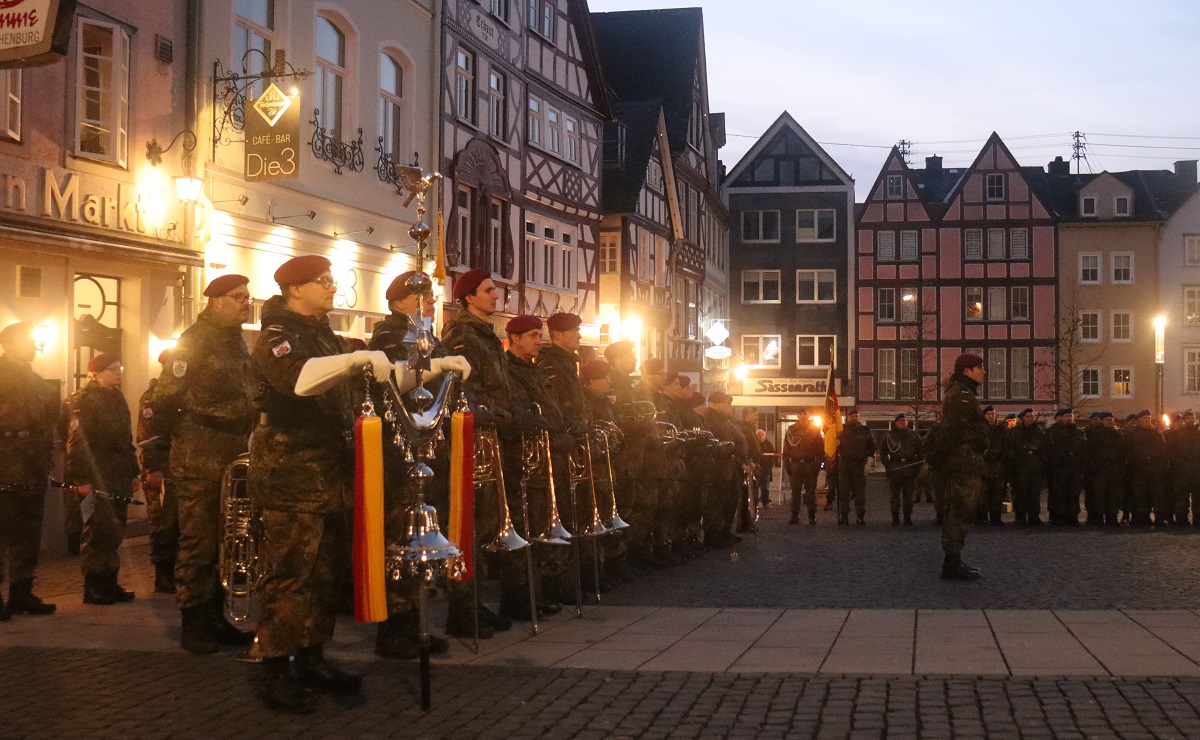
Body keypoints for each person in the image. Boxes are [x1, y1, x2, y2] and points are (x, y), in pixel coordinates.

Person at [248, 255, 467, 712]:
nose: (332, 288)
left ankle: (311, 656)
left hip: (330, 473)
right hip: (292, 473)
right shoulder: (277, 336)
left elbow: (386, 380)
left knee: (325, 574)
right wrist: (353, 359)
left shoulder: (323, 335)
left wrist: (436, 369)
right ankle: (273, 665)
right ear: (295, 290)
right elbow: (300, 381)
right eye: (323, 282)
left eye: (330, 280)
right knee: (291, 574)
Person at [153, 274, 258, 654]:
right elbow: (165, 397)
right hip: (199, 451)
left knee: (226, 539)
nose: (246, 302)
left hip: (232, 449)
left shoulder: (236, 342)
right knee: (197, 541)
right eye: (238, 297)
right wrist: (186, 430)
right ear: (215, 301)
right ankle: (193, 620)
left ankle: (216, 616)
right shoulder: (193, 341)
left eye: (247, 296)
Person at [368, 271, 452, 660]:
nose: (431, 301)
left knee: (422, 535)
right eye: (421, 296)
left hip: (424, 446)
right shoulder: (392, 336)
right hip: (400, 450)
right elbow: (403, 380)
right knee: (402, 534)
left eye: (432, 296)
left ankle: (417, 621)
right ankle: (396, 626)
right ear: (400, 302)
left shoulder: (424, 334)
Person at [441, 268, 519, 636]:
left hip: (492, 434)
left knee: (485, 523)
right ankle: (460, 607)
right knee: (466, 523)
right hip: (472, 435)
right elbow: (463, 388)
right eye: (488, 291)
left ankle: (475, 601)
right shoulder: (461, 334)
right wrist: (498, 412)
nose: (495, 295)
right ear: (469, 297)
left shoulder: (487, 335)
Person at [65, 353, 141, 604]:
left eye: (120, 367)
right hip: (97, 474)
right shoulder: (85, 400)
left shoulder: (116, 397)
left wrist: (133, 471)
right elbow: (78, 443)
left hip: (117, 472)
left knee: (114, 531)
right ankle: (94, 585)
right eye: (112, 369)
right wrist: (82, 479)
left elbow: (125, 440)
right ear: (96, 373)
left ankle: (110, 581)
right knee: (97, 531)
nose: (119, 372)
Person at [0, 322, 57, 618]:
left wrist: (46, 464)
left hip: (33, 466)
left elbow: (48, 425)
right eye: (28, 340)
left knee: (28, 534)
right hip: (5, 465)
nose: (34, 345)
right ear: (9, 344)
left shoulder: (37, 381)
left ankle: (21, 593)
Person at [929, 353, 988, 580]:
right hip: (963, 460)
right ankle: (951, 562)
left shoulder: (963, 393)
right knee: (961, 510)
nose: (983, 372)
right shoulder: (962, 396)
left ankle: (953, 560)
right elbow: (953, 431)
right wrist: (938, 456)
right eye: (979, 368)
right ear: (967, 371)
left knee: (962, 509)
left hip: (966, 459)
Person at [136, 350, 180, 594]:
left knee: (179, 524)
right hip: (161, 468)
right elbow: (147, 437)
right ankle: (163, 574)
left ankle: (176, 571)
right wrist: (153, 469)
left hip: (179, 467)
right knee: (162, 523)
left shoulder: (180, 394)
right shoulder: (154, 397)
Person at [1124, 409, 1166, 526]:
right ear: (1139, 421)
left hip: (1155, 469)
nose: (1147, 421)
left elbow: (1163, 450)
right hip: (1138, 469)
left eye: (1148, 418)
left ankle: (1159, 519)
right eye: (1144, 418)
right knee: (1140, 495)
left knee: (1156, 494)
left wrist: (1156, 462)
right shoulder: (1132, 433)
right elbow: (1129, 451)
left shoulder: (1156, 433)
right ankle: (1140, 518)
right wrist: (1139, 462)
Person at [879, 413, 922, 526]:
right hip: (895, 467)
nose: (903, 422)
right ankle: (895, 517)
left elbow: (920, 452)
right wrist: (887, 464)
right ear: (896, 422)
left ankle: (907, 517)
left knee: (908, 495)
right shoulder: (889, 435)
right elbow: (883, 451)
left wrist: (916, 468)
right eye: (900, 420)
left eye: (904, 420)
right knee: (894, 495)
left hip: (909, 467)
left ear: (907, 422)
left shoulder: (914, 435)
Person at [781, 410, 824, 525]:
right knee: (795, 492)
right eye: (801, 414)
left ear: (808, 416)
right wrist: (787, 465)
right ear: (798, 416)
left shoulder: (815, 429)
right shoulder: (791, 430)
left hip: (810, 464)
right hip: (795, 465)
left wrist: (818, 465)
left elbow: (820, 449)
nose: (803, 417)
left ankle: (812, 516)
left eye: (805, 414)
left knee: (810, 492)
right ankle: (794, 515)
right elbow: (786, 449)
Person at [1045, 407, 1086, 526]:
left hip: (1074, 468)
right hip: (1058, 468)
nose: (1069, 418)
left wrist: (1080, 463)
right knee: (1059, 493)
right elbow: (1049, 450)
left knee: (1074, 493)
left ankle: (1073, 516)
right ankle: (1059, 517)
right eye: (1067, 416)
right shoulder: (1052, 432)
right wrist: (1055, 463)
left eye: (1071, 416)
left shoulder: (1079, 432)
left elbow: (1084, 450)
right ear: (1060, 417)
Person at [1085, 411, 1125, 526]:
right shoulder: (1095, 434)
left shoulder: (1118, 434)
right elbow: (1089, 451)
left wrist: (1120, 467)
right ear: (1102, 421)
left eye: (1111, 419)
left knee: (1113, 495)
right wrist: (1093, 466)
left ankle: (1112, 517)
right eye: (1107, 419)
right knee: (1099, 495)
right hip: (1099, 469)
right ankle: (1098, 518)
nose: (1109, 421)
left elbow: (1123, 452)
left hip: (1114, 469)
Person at [836, 408, 874, 525]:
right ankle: (844, 516)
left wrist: (869, 462)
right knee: (844, 492)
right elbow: (833, 444)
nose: (854, 418)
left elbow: (871, 447)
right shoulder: (840, 430)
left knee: (860, 494)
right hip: (845, 465)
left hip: (859, 465)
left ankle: (860, 516)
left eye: (856, 416)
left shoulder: (865, 430)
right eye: (852, 416)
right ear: (848, 417)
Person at [1007, 408, 1046, 525]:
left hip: (1035, 467)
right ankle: (1020, 517)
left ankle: (1034, 516)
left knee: (1034, 493)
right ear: (1023, 418)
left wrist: (1039, 461)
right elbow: (1010, 448)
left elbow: (1044, 448)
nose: (1030, 418)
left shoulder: (1039, 431)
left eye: (1032, 416)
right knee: (1021, 493)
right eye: (1028, 416)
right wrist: (1017, 459)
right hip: (1020, 467)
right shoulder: (1016, 431)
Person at [1165, 409, 1200, 526]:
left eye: (1192, 417)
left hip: (1197, 469)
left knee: (1198, 497)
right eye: (1188, 418)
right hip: (1182, 470)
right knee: (1181, 496)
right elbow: (1172, 451)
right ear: (1184, 420)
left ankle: (1197, 520)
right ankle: (1181, 520)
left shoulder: (1198, 432)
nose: (1190, 420)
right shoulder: (1178, 433)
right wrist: (1180, 464)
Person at [979, 406, 1009, 526]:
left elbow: (1006, 447)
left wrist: (998, 454)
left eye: (993, 414)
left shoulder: (1001, 430)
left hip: (997, 467)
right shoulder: (979, 430)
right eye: (989, 414)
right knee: (982, 497)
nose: (991, 416)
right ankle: (982, 518)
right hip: (982, 467)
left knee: (997, 496)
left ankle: (996, 518)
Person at [754, 429, 775, 507]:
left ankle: (765, 503)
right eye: (759, 435)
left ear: (765, 436)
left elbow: (773, 455)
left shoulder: (769, 444)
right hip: (756, 470)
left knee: (765, 488)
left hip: (766, 470)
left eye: (762, 435)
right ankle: (754, 504)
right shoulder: (754, 444)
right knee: (755, 488)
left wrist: (770, 465)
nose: (761, 436)